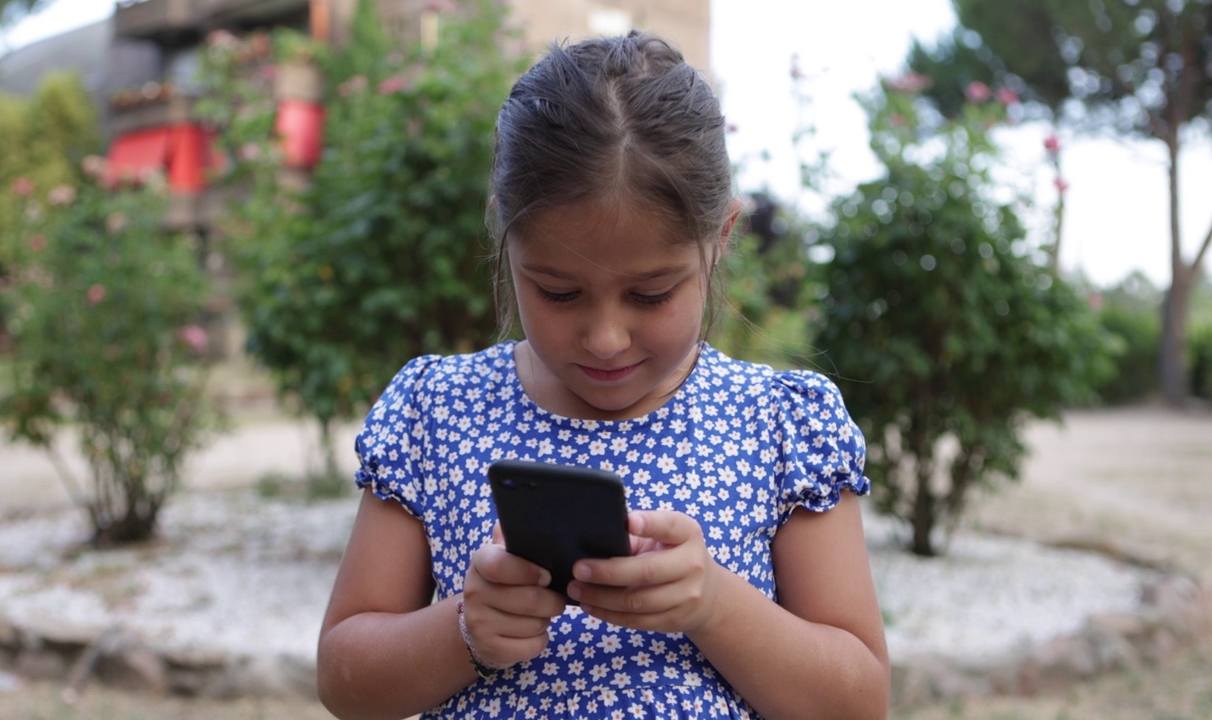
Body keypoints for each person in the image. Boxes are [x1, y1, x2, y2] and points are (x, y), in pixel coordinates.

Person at [317, 30, 889, 720]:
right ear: (506, 236)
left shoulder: (782, 425)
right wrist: (464, 630)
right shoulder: (436, 411)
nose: (606, 338)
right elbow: (345, 679)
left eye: (651, 295)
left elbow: (858, 700)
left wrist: (713, 603)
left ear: (720, 240)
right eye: (559, 293)